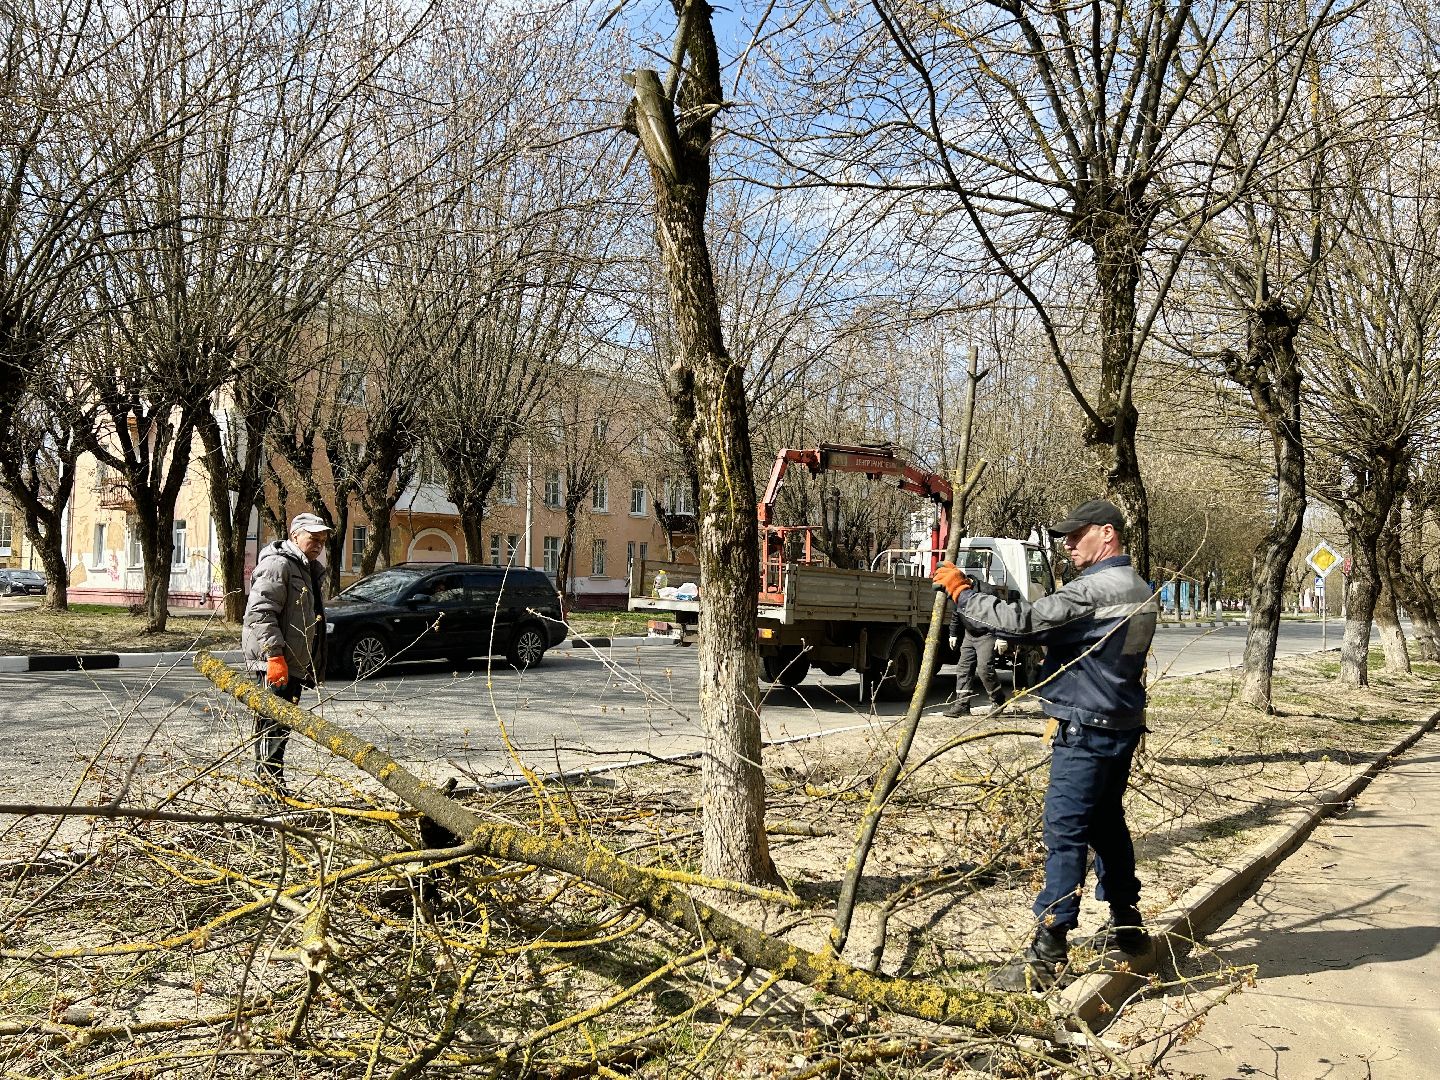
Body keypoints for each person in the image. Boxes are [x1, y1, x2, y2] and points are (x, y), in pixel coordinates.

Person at [933, 499, 1158, 991]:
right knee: (1107, 823)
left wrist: (962, 592)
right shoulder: (1140, 588)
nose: (1068, 545)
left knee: (1065, 831)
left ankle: (1049, 950)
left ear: (1107, 534)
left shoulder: (1096, 589)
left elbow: (1025, 622)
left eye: (1077, 536)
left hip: (1086, 729)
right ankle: (1128, 924)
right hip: (1120, 724)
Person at [242, 512, 332, 802]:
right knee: (270, 726)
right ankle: (267, 794)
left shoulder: (305, 568)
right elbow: (260, 612)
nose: (319, 543)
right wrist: (274, 655)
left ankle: (273, 789)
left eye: (323, 539)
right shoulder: (278, 564)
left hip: (290, 663)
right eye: (313, 537)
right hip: (274, 663)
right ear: (295, 535)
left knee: (279, 728)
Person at [945, 578, 1006, 718]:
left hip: (987, 634)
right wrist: (952, 634)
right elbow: (956, 614)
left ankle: (998, 701)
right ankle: (962, 705)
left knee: (984, 668)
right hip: (969, 634)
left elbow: (1001, 614)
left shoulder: (988, 591)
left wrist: (1002, 637)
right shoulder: (958, 590)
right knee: (963, 668)